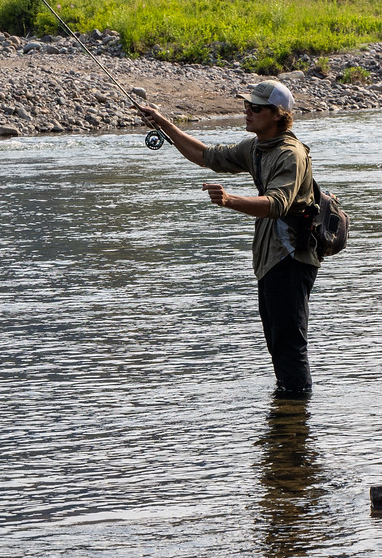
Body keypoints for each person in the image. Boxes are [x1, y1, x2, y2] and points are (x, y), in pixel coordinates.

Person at [136, 80, 321, 397]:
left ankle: (294, 426)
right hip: (270, 260)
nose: (246, 110)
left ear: (277, 115)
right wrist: (163, 121)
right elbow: (204, 155)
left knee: (289, 344)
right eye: (246, 104)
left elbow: (278, 204)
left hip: (291, 258)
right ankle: (289, 417)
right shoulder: (256, 148)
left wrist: (229, 200)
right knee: (277, 342)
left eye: (255, 107)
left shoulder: (290, 155)